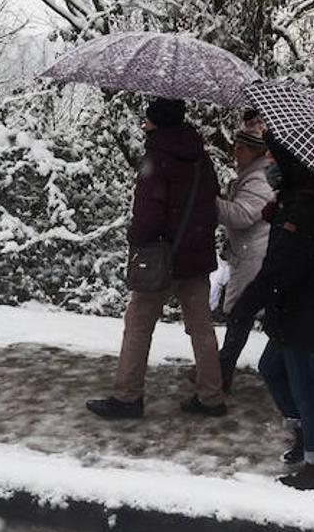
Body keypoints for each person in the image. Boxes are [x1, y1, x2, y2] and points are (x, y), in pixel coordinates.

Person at [87, 97, 226, 420]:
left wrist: (136, 240)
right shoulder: (201, 159)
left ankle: (127, 397)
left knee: (138, 324)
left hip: (162, 257)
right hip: (196, 256)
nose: (143, 124)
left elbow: (147, 215)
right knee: (201, 328)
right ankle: (211, 396)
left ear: (157, 123)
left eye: (147, 119)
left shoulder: (156, 158)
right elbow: (211, 204)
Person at [229, 133, 314, 490]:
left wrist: (246, 304)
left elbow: (284, 267)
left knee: (307, 384)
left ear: (292, 164)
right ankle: (304, 433)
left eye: (273, 161)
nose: (268, 167)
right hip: (296, 310)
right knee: (273, 368)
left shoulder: (305, 207)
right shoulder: (296, 199)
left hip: (308, 312)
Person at [213, 121, 276, 392]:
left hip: (255, 256)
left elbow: (242, 216)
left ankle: (222, 372)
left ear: (254, 152)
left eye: (240, 148)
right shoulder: (252, 176)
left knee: (241, 313)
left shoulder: (258, 179)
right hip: (250, 253)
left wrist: (210, 202)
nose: (235, 152)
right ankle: (222, 369)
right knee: (243, 314)